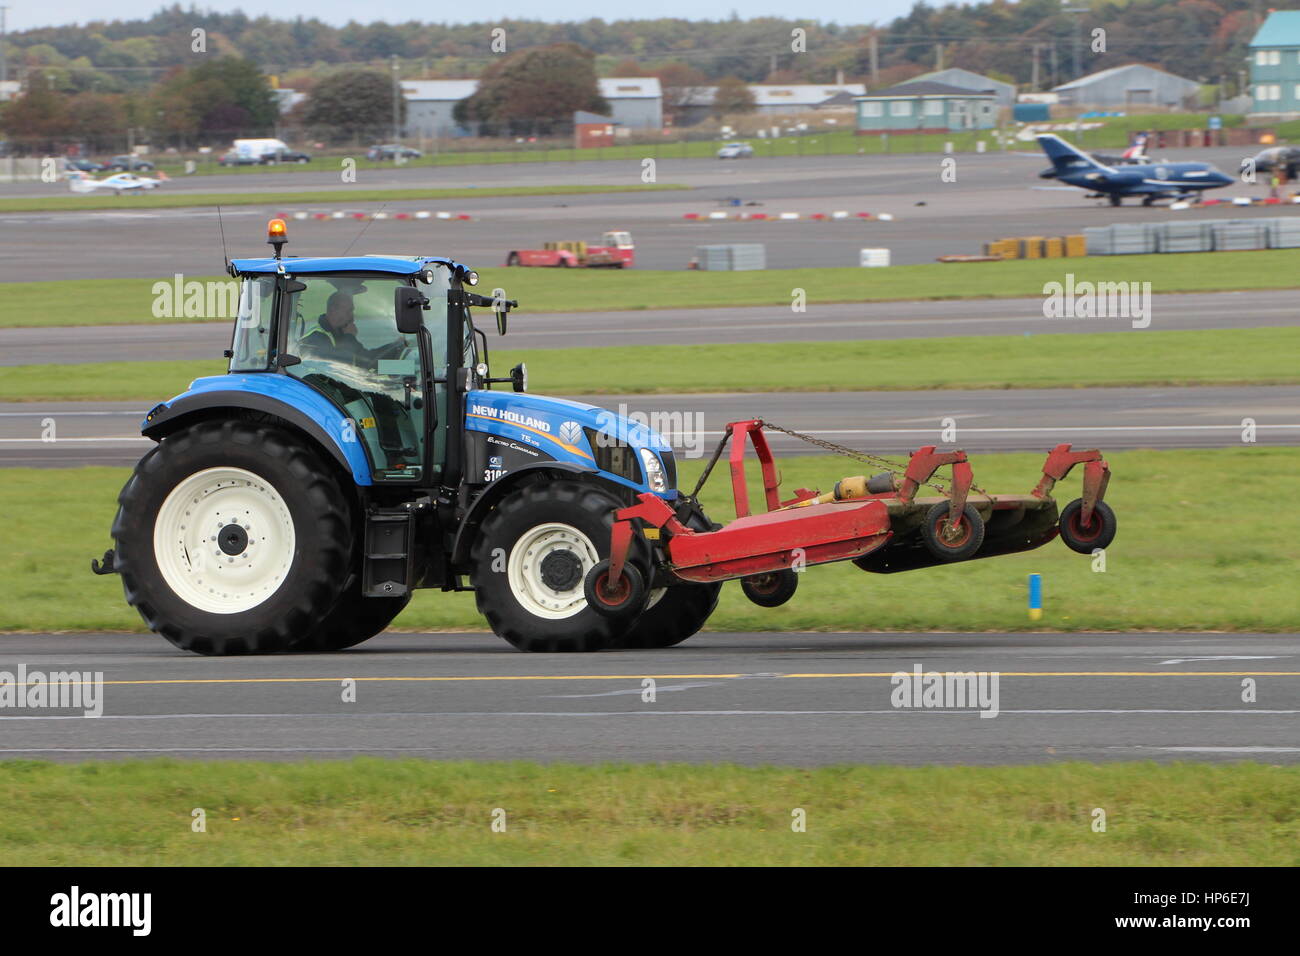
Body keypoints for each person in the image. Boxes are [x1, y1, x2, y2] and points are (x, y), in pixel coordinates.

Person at [300, 291, 404, 368]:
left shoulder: (338, 333)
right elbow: (342, 364)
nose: (352, 317)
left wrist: (397, 351)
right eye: (349, 311)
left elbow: (367, 360)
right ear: (333, 310)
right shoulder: (316, 338)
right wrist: (349, 337)